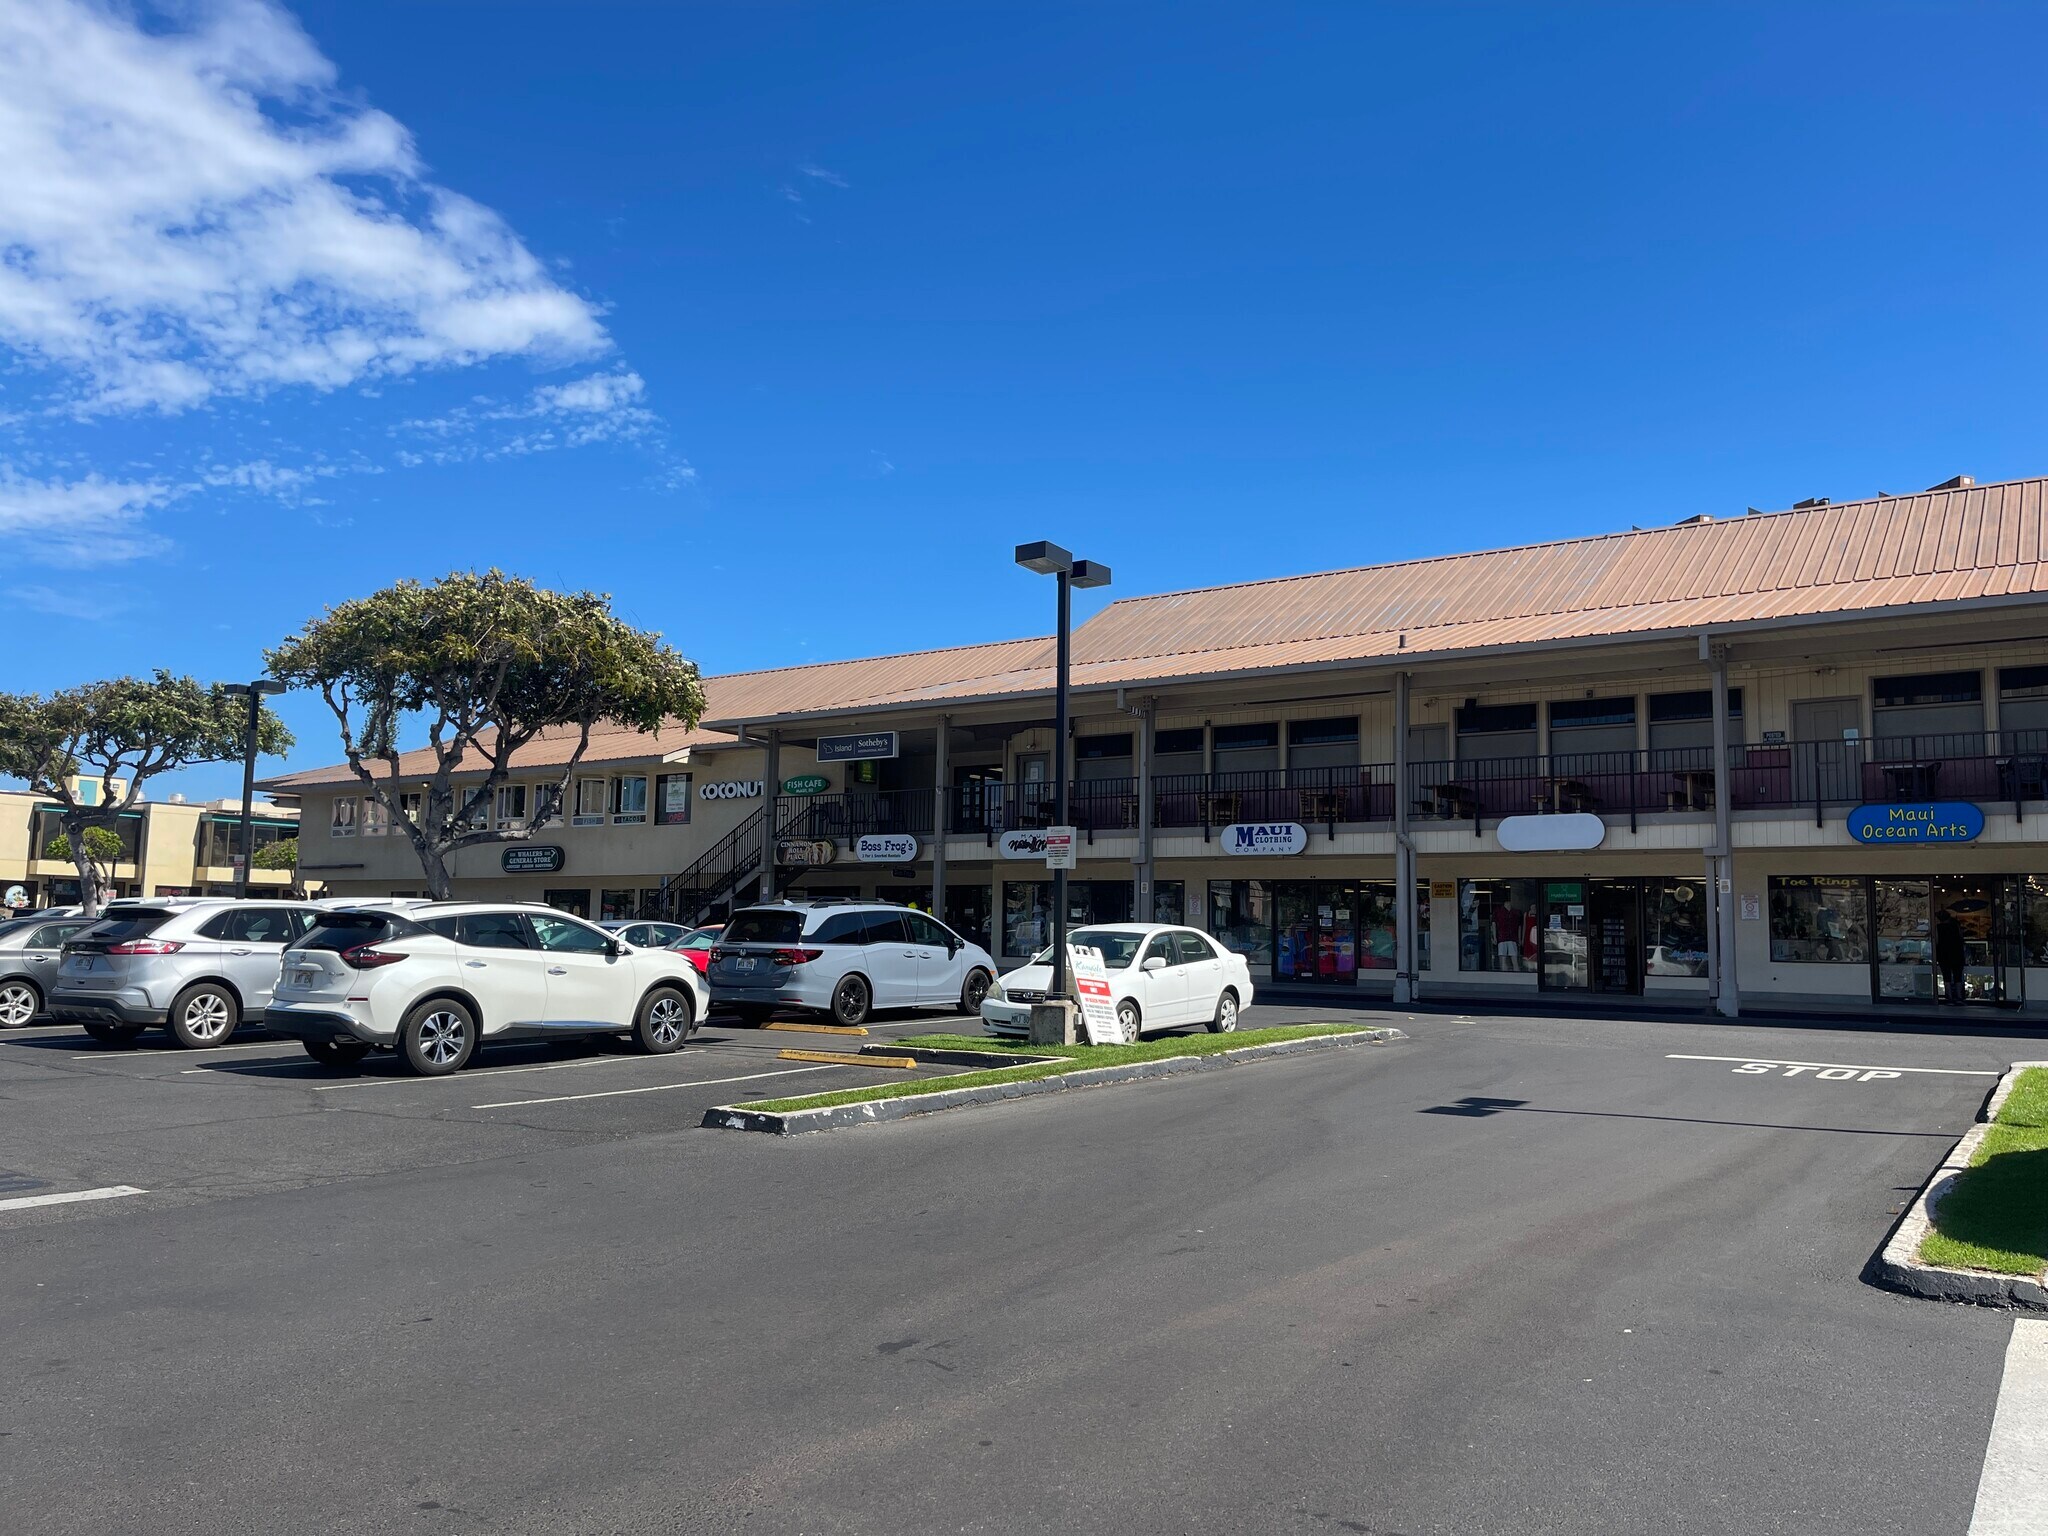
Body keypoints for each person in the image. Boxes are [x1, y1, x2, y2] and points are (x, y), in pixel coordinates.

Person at [1934, 909, 1967, 1006]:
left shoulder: (1938, 928)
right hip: (1957, 953)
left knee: (1946, 976)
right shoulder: (1956, 926)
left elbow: (1936, 941)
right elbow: (1961, 938)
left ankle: (1949, 998)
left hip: (1943, 954)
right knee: (1958, 976)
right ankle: (1959, 997)